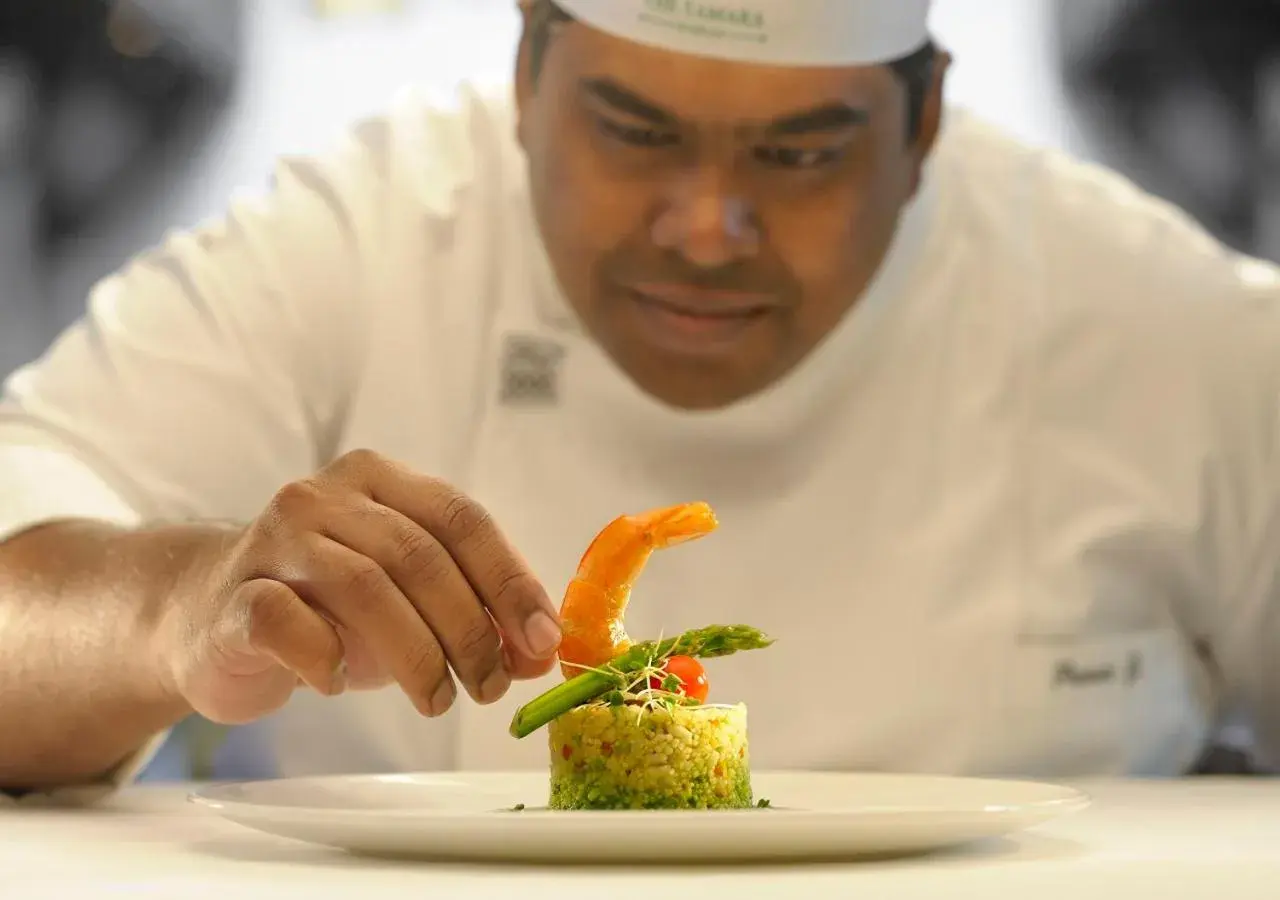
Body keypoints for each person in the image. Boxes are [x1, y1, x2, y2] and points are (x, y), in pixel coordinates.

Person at [1, 0, 1277, 800]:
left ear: (924, 119)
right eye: (634, 131)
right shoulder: (368, 240)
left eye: (799, 153)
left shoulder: (1163, 327)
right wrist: (176, 609)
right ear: (523, 75)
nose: (707, 227)